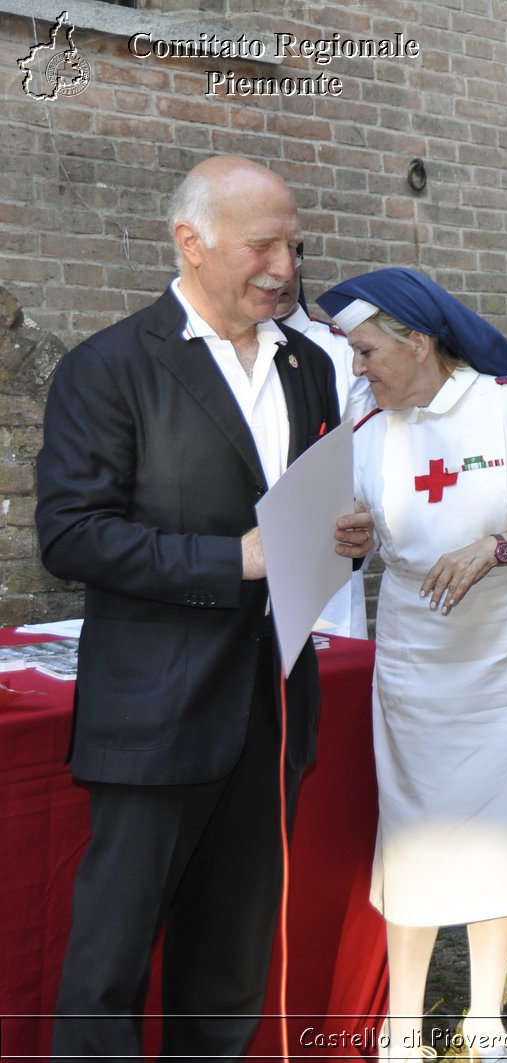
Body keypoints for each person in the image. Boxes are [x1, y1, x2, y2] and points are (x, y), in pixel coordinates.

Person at [35, 155, 373, 1060]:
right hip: (156, 711)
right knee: (110, 963)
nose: (285, 267)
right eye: (263, 245)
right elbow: (71, 537)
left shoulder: (309, 366)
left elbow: (300, 502)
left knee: (230, 959)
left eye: (293, 246)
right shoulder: (107, 368)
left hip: (272, 707)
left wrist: (337, 535)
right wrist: (237, 560)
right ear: (191, 243)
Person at [315, 268, 507, 1061]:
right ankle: (401, 1027)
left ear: (419, 339)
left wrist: (496, 547)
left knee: (502, 821)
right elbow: (358, 533)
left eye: (368, 349)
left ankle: (483, 1017)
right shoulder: (366, 428)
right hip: (421, 651)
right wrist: (350, 538)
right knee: (416, 831)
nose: (358, 367)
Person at [275, 245, 373, 638]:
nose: (280, 276)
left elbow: (364, 456)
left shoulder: (339, 350)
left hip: (324, 555)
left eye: (290, 260)